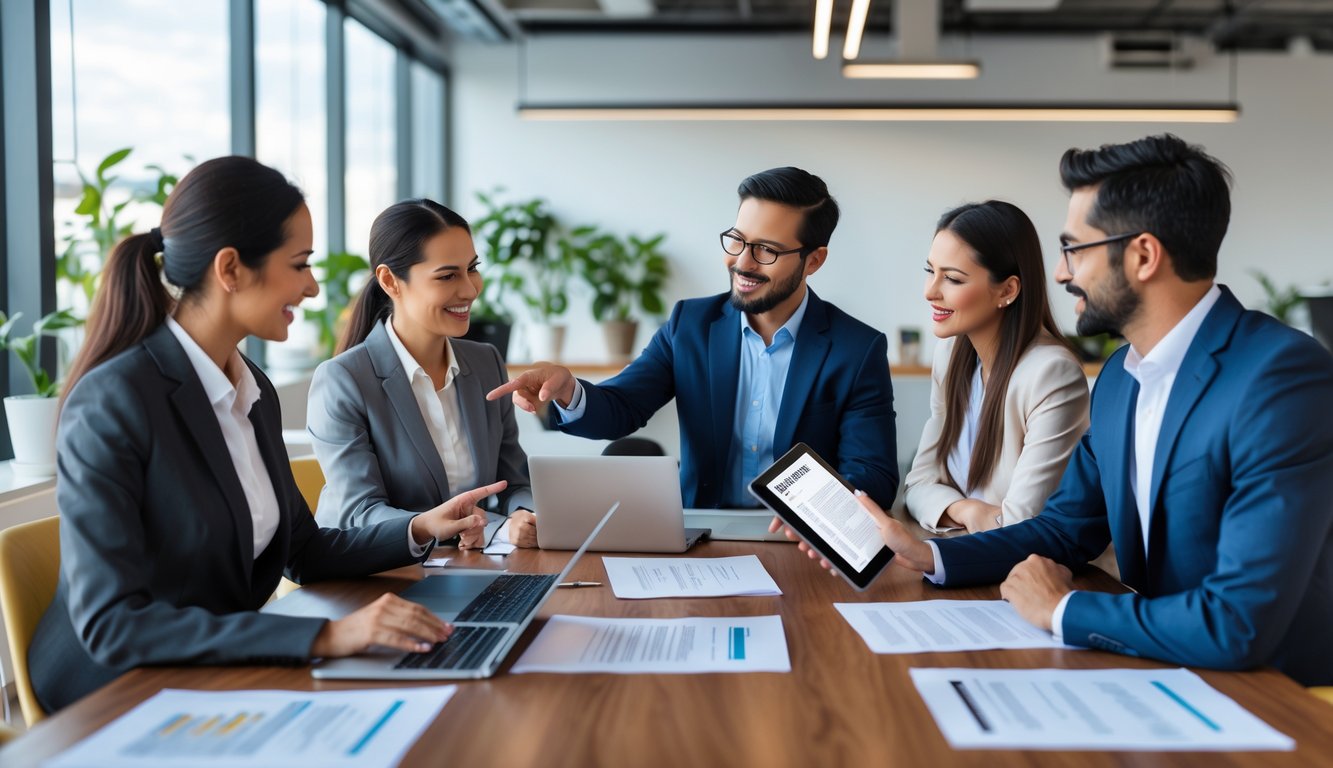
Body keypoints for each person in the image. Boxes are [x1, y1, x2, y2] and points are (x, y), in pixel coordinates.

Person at [782, 134, 1333, 686]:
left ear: (1143, 255)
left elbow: (1238, 621)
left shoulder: (1280, 378)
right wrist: (930, 557)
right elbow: (1066, 530)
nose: (1064, 273)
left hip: (1274, 696)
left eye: (1075, 250)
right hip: (1160, 668)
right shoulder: (1120, 378)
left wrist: (1062, 610)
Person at [30, 157, 494, 712]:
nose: (314, 286)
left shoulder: (253, 390)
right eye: (299, 264)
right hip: (114, 694)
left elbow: (303, 551)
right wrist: (324, 637)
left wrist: (418, 528)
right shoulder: (114, 401)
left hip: (221, 671)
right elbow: (113, 625)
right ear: (230, 269)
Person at [487, 166, 899, 510]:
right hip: (703, 535)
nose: (741, 261)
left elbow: (873, 475)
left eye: (766, 250)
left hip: (801, 545)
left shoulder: (856, 349)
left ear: (814, 260)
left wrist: (814, 509)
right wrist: (569, 391)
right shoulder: (691, 324)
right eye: (737, 240)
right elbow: (623, 407)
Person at [307, 199, 536, 546]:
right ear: (389, 281)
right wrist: (494, 528)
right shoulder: (343, 380)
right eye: (447, 275)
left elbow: (514, 482)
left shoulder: (486, 362)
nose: (470, 289)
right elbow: (360, 512)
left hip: (468, 567)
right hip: (372, 578)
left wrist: (527, 515)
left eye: (472, 268)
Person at [904, 201, 1089, 534]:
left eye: (953, 279)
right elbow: (917, 486)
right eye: (930, 271)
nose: (930, 291)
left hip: (1021, 572)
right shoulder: (950, 355)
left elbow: (1021, 524)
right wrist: (968, 511)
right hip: (960, 553)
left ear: (1007, 290)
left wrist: (950, 508)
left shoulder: (1052, 375)